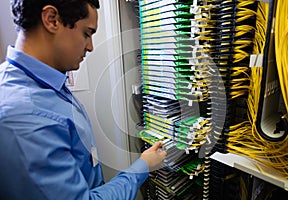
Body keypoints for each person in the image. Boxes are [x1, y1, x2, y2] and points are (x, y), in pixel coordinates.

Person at [0, 0, 167, 199]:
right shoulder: (25, 116)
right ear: (52, 19)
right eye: (86, 33)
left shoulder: (45, 82)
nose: (90, 47)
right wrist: (143, 166)